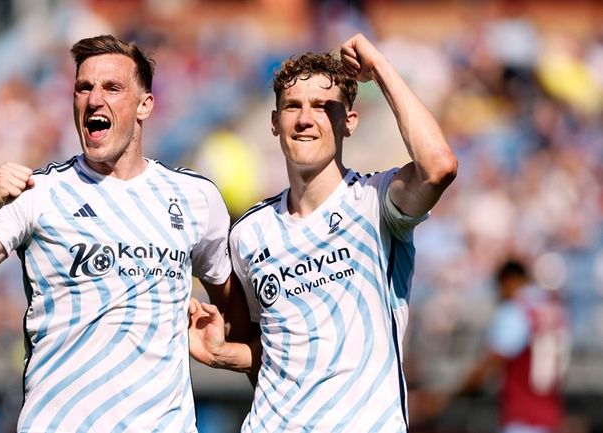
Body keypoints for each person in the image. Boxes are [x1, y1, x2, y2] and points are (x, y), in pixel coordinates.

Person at [0, 34, 236, 433]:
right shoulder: (38, 195)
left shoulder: (195, 197)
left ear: (145, 105)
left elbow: (234, 319)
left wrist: (223, 349)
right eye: (84, 88)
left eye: (112, 87)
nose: (94, 99)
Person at [188, 33, 458, 432]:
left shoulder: (374, 203)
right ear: (275, 122)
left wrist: (380, 68)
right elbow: (281, 354)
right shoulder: (248, 234)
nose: (304, 118)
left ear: (348, 121)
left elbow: (439, 167)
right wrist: (226, 354)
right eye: (292, 106)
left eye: (321, 106)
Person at [448, 259, 570, 433]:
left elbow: (491, 362)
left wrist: (456, 393)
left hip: (522, 419)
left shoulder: (516, 310)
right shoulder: (554, 309)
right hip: (550, 418)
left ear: (509, 280)